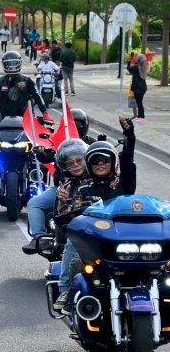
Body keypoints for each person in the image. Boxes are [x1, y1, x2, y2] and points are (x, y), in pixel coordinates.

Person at [57, 127, 136, 315]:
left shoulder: (122, 185)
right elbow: (65, 218)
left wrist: (129, 135)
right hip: (95, 238)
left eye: (105, 160)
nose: (100, 164)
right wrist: (62, 204)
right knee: (71, 240)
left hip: (120, 237)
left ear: (112, 162)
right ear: (90, 165)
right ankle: (66, 290)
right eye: (95, 161)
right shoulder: (82, 188)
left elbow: (127, 162)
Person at [21, 138, 88, 254]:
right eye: (70, 162)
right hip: (63, 188)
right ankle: (40, 238)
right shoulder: (62, 148)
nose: (75, 165)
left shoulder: (89, 144)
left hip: (88, 187)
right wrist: (41, 152)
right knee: (34, 203)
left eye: (79, 160)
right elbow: (47, 157)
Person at [0, 51, 53, 123]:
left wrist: (45, 114)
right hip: (2, 122)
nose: (12, 66)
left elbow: (37, 97)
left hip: (25, 122)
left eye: (14, 63)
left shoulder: (27, 81)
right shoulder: (0, 82)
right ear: (4, 64)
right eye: (9, 64)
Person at [127, 53, 148, 122]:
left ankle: (142, 117)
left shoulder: (137, 68)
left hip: (138, 88)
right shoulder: (143, 67)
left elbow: (129, 69)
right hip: (143, 88)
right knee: (139, 102)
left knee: (139, 103)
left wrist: (129, 61)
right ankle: (139, 116)